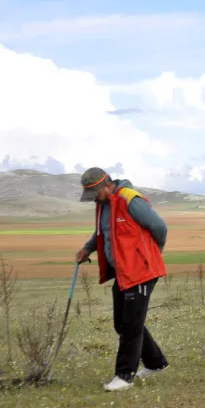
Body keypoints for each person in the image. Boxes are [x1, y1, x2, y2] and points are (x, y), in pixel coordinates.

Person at [74, 167, 170, 392]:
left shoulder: (130, 200)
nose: (93, 200)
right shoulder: (104, 205)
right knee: (122, 322)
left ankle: (125, 376)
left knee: (130, 326)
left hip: (141, 270)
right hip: (124, 272)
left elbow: (159, 227)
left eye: (95, 194)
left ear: (107, 185)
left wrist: (153, 252)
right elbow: (104, 232)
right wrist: (88, 249)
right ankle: (156, 363)